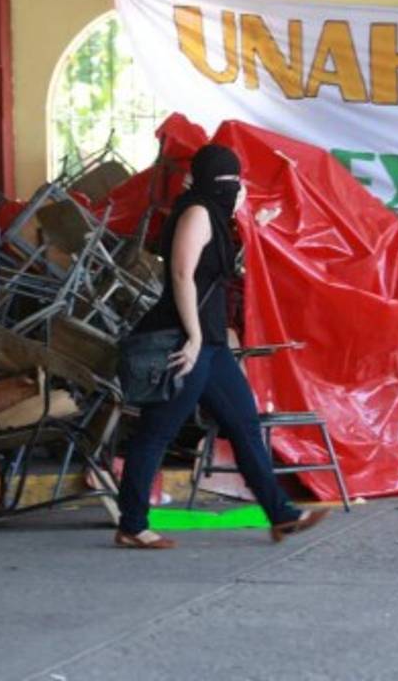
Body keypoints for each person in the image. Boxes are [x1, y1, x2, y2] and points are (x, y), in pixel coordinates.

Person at [115, 143, 329, 549]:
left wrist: (257, 226)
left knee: (245, 426)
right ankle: (132, 525)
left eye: (237, 179)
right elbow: (182, 273)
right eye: (228, 179)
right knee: (157, 432)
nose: (235, 187)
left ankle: (281, 515)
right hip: (185, 339)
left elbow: (219, 271)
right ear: (211, 179)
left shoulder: (216, 214)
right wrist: (193, 337)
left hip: (210, 343)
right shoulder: (197, 211)